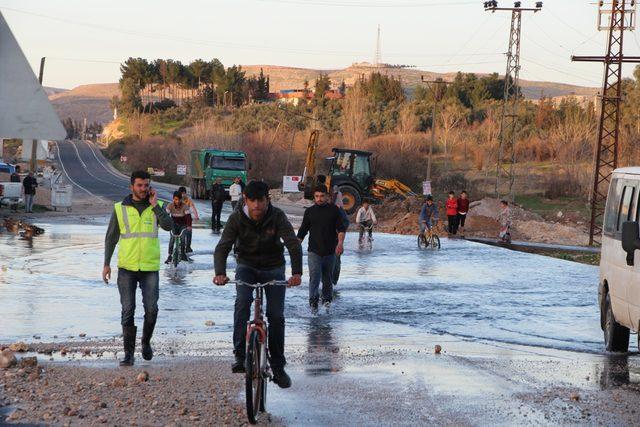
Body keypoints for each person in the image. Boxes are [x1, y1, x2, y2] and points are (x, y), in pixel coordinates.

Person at [213, 181, 302, 388]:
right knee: (242, 302)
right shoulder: (236, 218)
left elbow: (292, 244)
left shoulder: (277, 216)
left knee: (276, 315)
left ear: (267, 200)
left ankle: (278, 366)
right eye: (252, 201)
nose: (256, 206)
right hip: (247, 266)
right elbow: (223, 247)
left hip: (274, 267)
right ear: (245, 199)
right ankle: (239, 355)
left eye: (260, 201)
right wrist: (220, 273)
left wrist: (296, 273)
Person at [102, 170, 173, 367]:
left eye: (146, 185)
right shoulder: (120, 208)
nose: (143, 189)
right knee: (128, 309)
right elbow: (111, 237)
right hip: (127, 267)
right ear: (131, 186)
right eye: (140, 185)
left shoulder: (157, 206)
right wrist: (106, 264)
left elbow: (169, 226)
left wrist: (155, 206)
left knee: (151, 309)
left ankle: (146, 342)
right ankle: (128, 354)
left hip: (150, 267)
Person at [297, 185, 347, 311]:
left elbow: (341, 229)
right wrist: (295, 246)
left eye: (322, 196)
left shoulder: (334, 211)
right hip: (314, 251)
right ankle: (313, 303)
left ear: (327, 196)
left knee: (327, 278)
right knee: (314, 277)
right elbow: (303, 230)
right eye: (317, 196)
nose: (319, 199)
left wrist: (340, 244)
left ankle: (327, 303)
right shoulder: (309, 212)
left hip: (330, 251)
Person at [166, 191, 192, 264]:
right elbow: (166, 216)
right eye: (175, 199)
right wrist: (165, 224)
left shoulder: (185, 206)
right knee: (172, 238)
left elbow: (188, 217)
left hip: (182, 225)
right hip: (173, 224)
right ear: (173, 199)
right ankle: (169, 255)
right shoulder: (170, 205)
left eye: (178, 199)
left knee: (183, 238)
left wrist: (189, 226)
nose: (176, 201)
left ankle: (183, 254)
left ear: (181, 199)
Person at [178, 186, 198, 253]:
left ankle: (188, 246)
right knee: (181, 233)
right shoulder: (177, 199)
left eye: (184, 193)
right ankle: (181, 245)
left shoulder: (188, 200)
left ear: (186, 193)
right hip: (179, 219)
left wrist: (196, 216)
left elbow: (193, 207)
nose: (183, 195)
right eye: (181, 193)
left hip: (188, 219)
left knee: (189, 233)